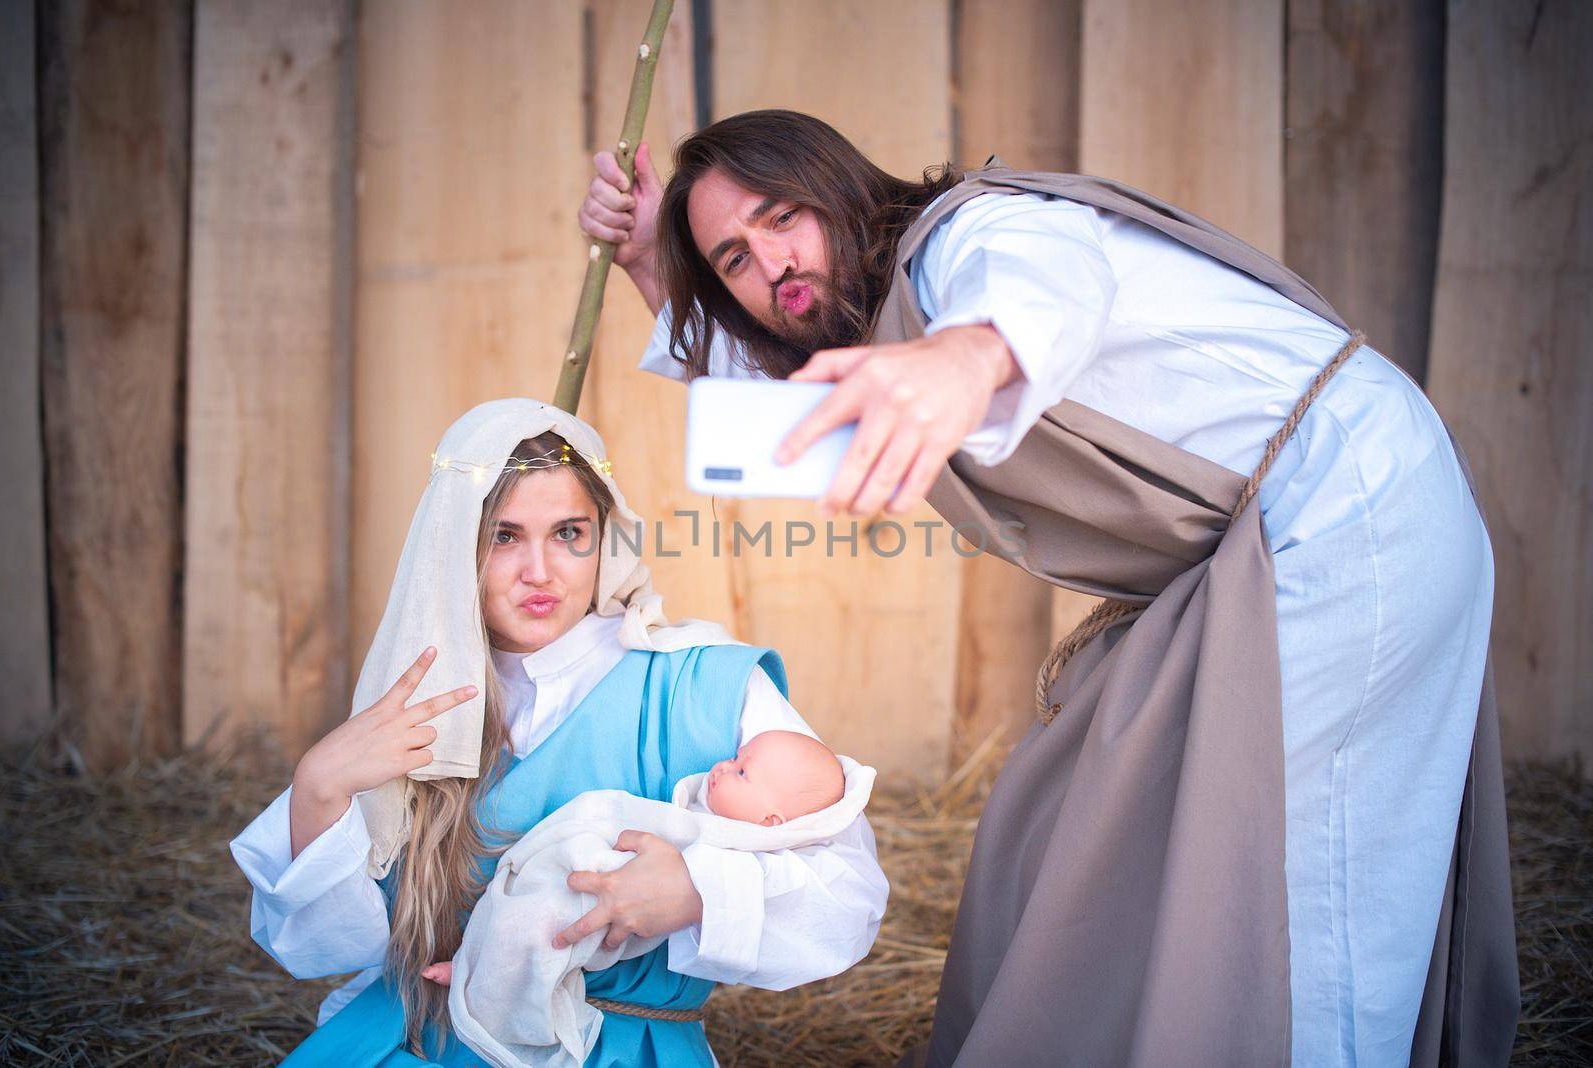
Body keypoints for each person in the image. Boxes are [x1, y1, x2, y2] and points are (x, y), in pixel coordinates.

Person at [577, 109, 1516, 1065]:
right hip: (1266, 549)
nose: (771, 263)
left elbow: (1046, 282)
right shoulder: (891, 324)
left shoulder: (973, 237)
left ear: (838, 184)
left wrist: (967, 357)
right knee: (1073, 813)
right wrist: (659, 264)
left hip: (1351, 512)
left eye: (783, 218)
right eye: (734, 259)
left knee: (1301, 883)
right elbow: (784, 418)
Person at [228, 398, 888, 1066]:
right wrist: (318, 788)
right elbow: (323, 950)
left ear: (605, 536)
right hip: (415, 1038)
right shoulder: (414, 704)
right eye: (504, 537)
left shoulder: (701, 686)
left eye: (569, 533)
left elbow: (850, 900)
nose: (539, 573)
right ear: (453, 546)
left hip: (618, 1047)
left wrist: (697, 892)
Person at [421, 730, 866, 1067]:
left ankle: (485, 980)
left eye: (742, 772)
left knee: (540, 927)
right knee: (527, 906)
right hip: (585, 875)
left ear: (771, 822)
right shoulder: (706, 811)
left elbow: (842, 907)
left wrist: (694, 889)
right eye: (734, 758)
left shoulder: (740, 843)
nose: (722, 767)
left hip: (610, 910)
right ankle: (477, 963)